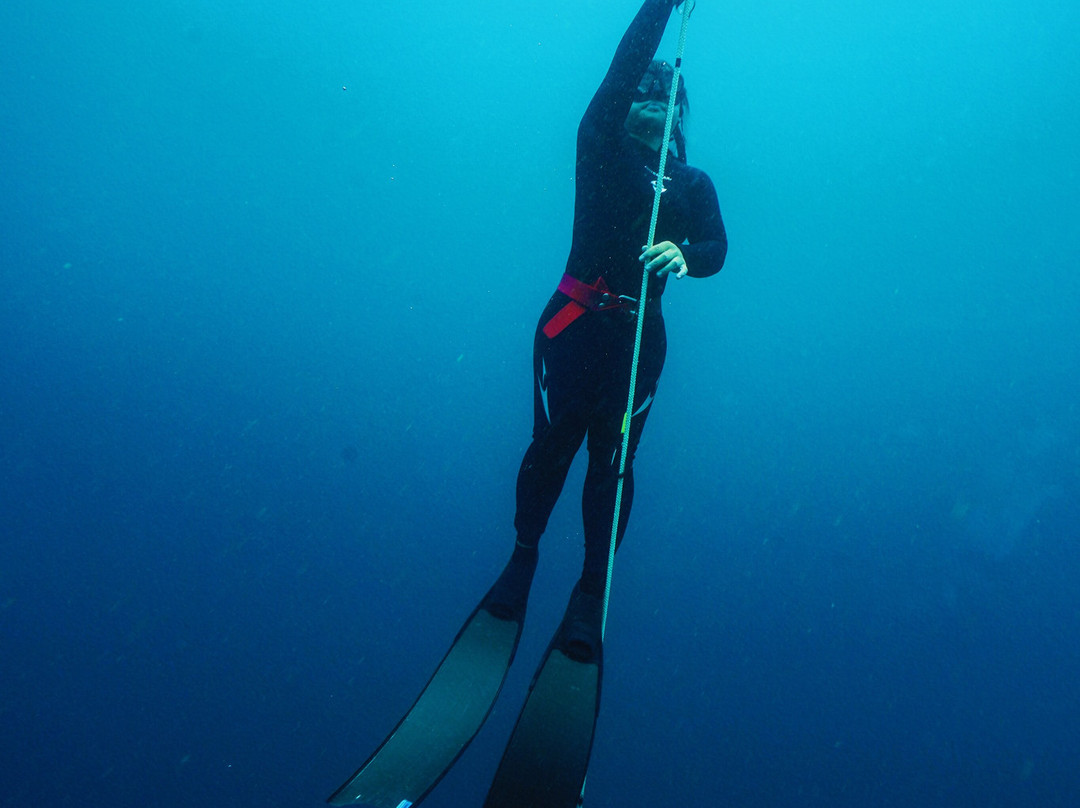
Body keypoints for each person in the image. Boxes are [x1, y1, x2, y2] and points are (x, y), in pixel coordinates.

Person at [489, 0, 727, 660]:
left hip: (636, 345)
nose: (655, 103)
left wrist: (689, 259)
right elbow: (623, 69)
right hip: (569, 330)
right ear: (626, 104)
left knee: (613, 468)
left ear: (681, 116)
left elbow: (716, 246)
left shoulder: (692, 183)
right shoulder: (598, 147)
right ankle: (523, 557)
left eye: (669, 98)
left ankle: (592, 591)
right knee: (550, 448)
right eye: (645, 94)